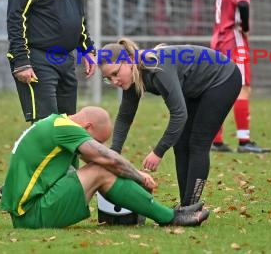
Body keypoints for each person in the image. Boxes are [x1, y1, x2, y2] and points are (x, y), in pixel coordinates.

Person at [0, 106, 210, 229]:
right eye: (96, 141)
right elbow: (109, 159)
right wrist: (139, 176)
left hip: (27, 210)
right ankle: (170, 218)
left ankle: (166, 213)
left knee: (100, 167)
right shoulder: (67, 130)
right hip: (31, 216)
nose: (96, 145)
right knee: (101, 168)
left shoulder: (54, 124)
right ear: (88, 127)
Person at [98, 38, 242, 207]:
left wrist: (158, 152)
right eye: (108, 78)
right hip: (197, 87)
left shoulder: (157, 70)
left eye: (115, 73)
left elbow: (179, 115)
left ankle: (191, 206)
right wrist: (114, 154)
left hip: (223, 78)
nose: (114, 81)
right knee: (180, 143)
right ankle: (186, 206)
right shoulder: (132, 77)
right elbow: (125, 117)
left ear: (129, 61)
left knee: (198, 143)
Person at [209, 0, 271, 153]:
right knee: (243, 88)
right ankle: (244, 142)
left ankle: (216, 140)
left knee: (219, 89)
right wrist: (245, 27)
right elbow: (243, 5)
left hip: (218, 39)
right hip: (233, 40)